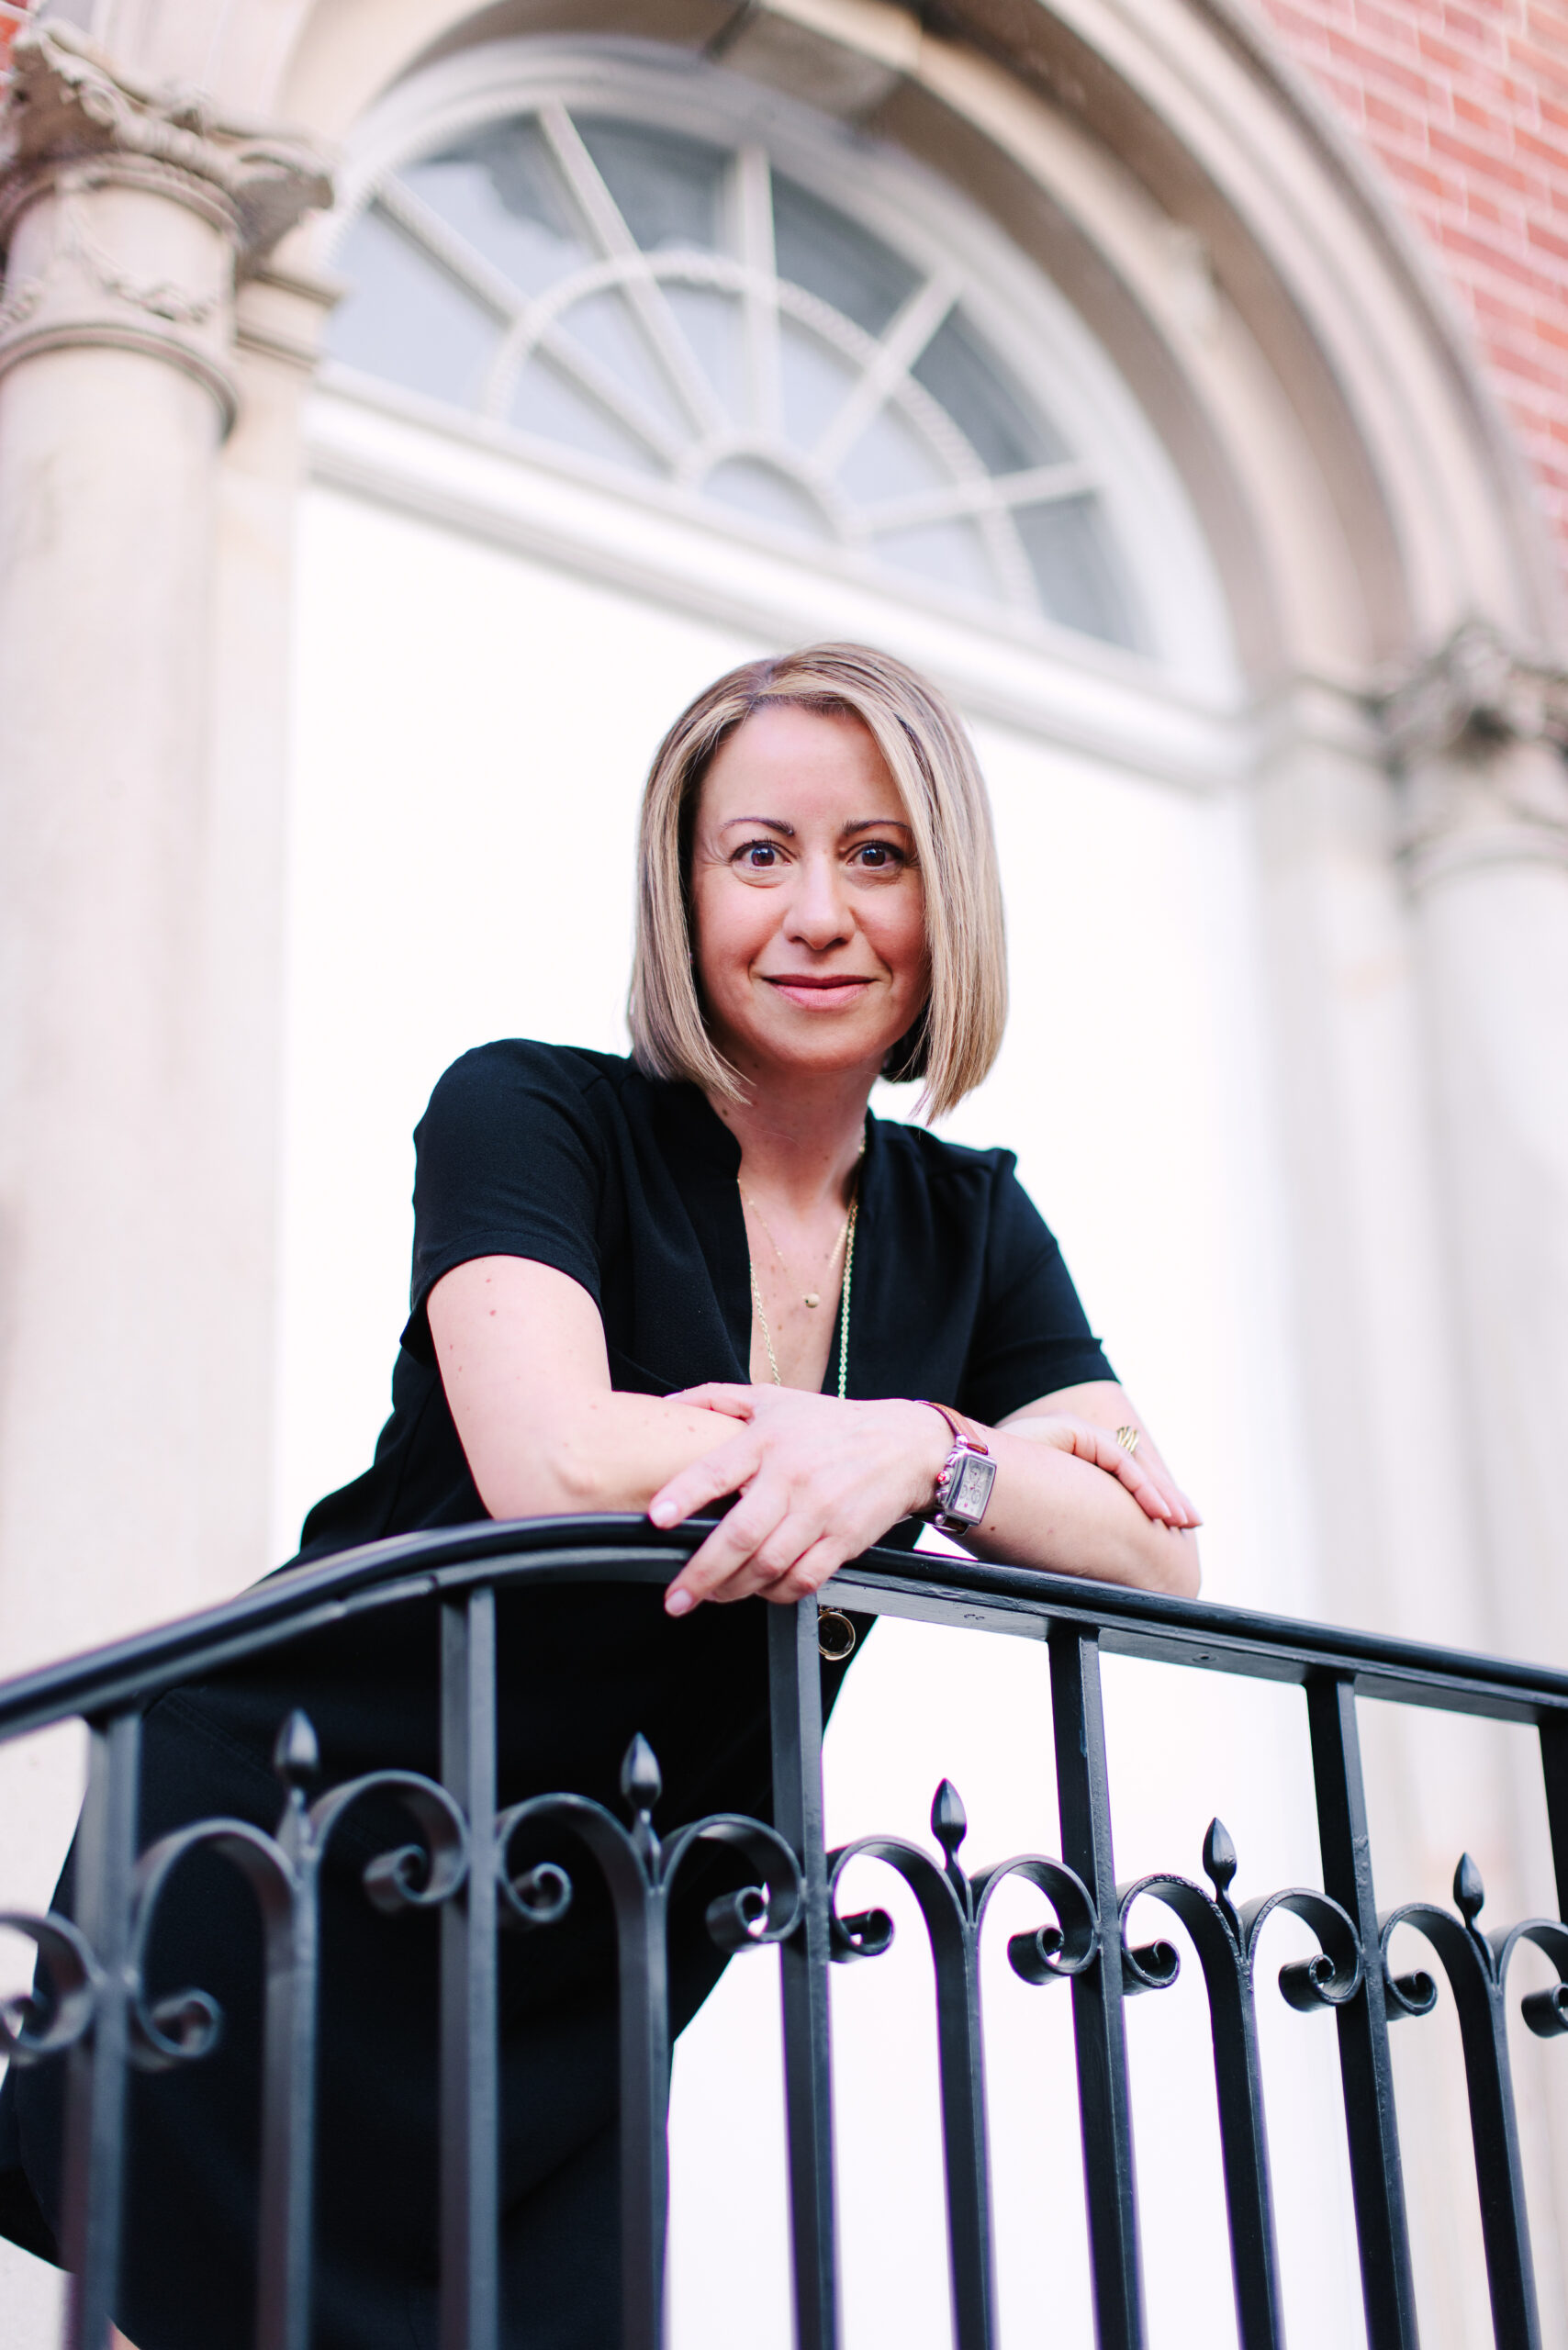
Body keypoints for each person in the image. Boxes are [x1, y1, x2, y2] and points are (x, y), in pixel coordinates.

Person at [0, 643, 1198, 2349]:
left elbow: (1162, 1549)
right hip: (299, 1848)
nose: (816, 911)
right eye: (758, 852)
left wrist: (924, 1450)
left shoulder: (971, 1222)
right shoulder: (527, 1112)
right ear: (682, 887)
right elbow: (549, 1456)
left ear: (948, 900)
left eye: (876, 856)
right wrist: (874, 1451)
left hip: (597, 1922)